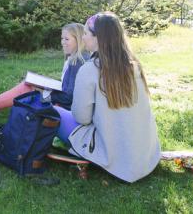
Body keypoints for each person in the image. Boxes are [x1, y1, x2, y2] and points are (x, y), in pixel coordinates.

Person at [55, 12, 161, 183]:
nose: (83, 38)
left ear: (98, 38)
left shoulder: (89, 70)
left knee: (53, 112)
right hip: (145, 157)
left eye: (86, 34)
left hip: (114, 156)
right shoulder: (135, 66)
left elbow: (81, 118)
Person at [0, 23, 89, 114]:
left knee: (26, 88)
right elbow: (67, 88)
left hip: (66, 108)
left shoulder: (78, 61)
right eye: (62, 38)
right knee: (28, 85)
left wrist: (45, 93)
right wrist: (45, 85)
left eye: (67, 39)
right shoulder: (74, 58)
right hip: (63, 102)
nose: (63, 42)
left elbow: (69, 97)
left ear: (78, 39)